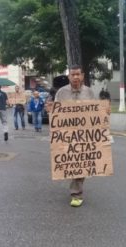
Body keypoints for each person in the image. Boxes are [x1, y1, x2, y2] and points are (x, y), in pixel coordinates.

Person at [51, 64, 95, 207]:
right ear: (69, 76)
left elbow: (96, 111)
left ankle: (76, 193)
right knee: (70, 162)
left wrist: (104, 114)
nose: (75, 77)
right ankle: (75, 185)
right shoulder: (61, 93)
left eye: (78, 74)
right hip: (66, 134)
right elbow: (55, 113)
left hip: (84, 134)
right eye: (72, 74)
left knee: (80, 163)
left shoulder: (89, 92)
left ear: (82, 76)